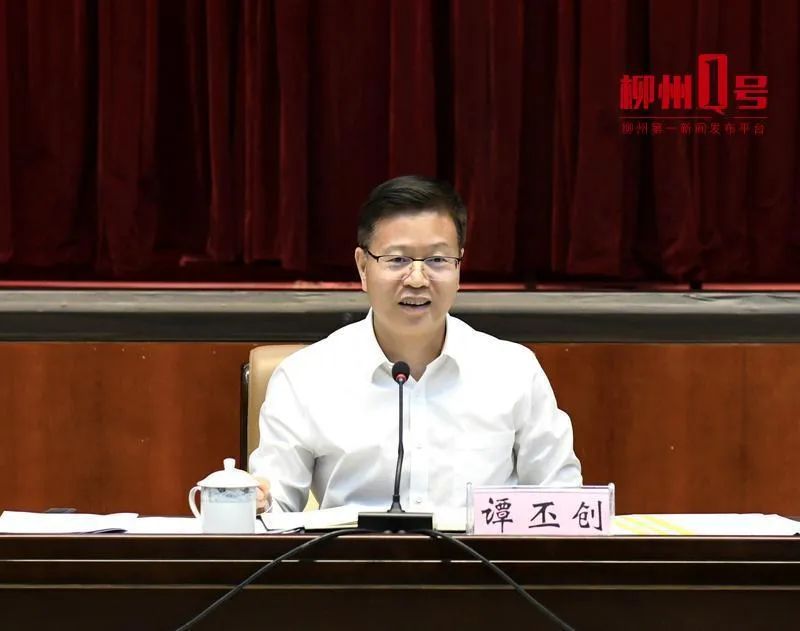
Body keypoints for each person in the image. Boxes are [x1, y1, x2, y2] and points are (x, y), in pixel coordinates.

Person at [249, 175, 581, 513]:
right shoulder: (306, 376)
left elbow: (561, 500)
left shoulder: (513, 371)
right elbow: (274, 508)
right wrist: (258, 502)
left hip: (477, 549)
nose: (418, 280)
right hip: (354, 549)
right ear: (363, 267)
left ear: (459, 266)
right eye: (398, 260)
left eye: (438, 260)